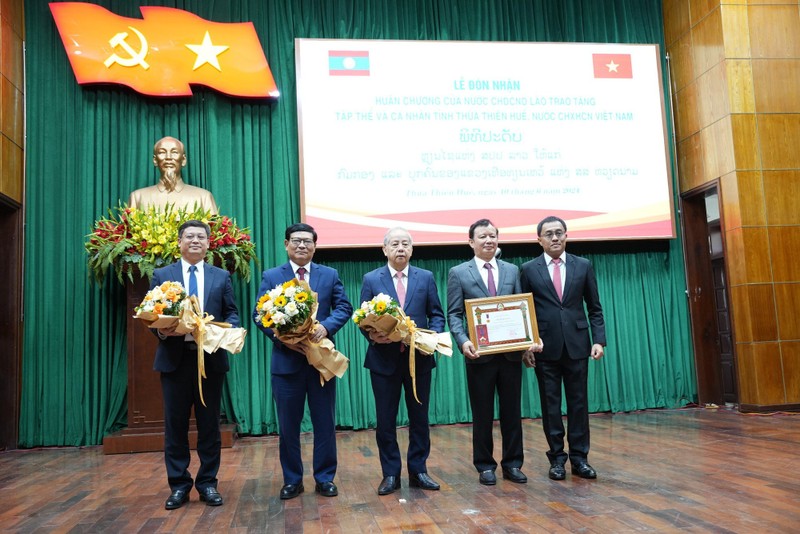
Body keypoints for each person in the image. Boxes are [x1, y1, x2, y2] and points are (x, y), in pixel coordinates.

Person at [253, 223, 353, 500]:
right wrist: (282, 338)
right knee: (288, 427)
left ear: (315, 246)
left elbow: (344, 306)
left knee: (324, 423)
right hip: (286, 364)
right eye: (296, 241)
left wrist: (327, 327)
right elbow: (259, 314)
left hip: (321, 362)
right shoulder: (272, 275)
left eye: (307, 242)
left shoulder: (329, 274)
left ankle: (324, 478)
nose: (301, 246)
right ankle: (292, 480)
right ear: (286, 244)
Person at [151, 219, 240, 509]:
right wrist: (161, 330)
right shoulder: (163, 274)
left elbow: (232, 313)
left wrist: (221, 332)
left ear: (208, 243)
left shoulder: (220, 276)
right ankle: (178, 485)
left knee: (209, 426)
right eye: (189, 236)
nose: (195, 241)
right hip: (175, 361)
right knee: (175, 426)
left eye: (201, 237)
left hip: (210, 361)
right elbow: (150, 313)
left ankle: (207, 483)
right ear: (179, 242)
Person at [447, 218, 539, 486]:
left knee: (512, 412)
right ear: (471, 242)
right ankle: (485, 465)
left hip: (511, 356)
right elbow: (454, 314)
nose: (488, 241)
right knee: (482, 413)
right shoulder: (459, 272)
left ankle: (513, 464)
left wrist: (525, 347)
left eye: (492, 236)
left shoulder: (512, 271)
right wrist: (463, 341)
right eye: (483, 237)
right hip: (479, 356)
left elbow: (522, 309)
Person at [360, 227, 446, 495]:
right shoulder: (372, 278)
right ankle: (390, 474)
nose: (401, 248)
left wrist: (429, 340)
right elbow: (362, 319)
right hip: (383, 362)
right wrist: (374, 336)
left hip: (418, 360)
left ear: (412, 249)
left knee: (419, 418)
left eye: (405, 244)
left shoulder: (426, 277)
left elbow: (437, 315)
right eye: (395, 244)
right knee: (385, 420)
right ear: (384, 249)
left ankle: (419, 470)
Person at [519, 215, 606, 481]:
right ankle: (557, 459)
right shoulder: (528, 269)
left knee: (579, 404)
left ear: (566, 236)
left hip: (579, 346)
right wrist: (527, 347)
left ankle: (580, 458)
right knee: (551, 406)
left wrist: (598, 340)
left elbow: (595, 307)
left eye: (559, 233)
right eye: (549, 234)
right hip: (545, 349)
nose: (555, 238)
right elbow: (525, 310)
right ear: (539, 240)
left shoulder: (583, 265)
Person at [128, 136, 218, 213]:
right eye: (162, 152)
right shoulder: (138, 197)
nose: (168, 157)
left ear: (183, 160)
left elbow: (213, 230)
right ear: (155, 160)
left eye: (174, 152)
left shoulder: (203, 197)